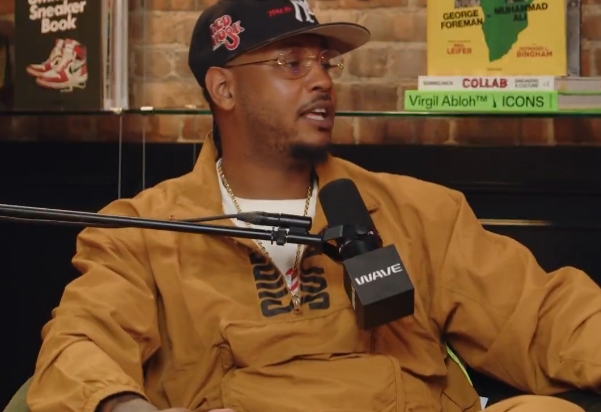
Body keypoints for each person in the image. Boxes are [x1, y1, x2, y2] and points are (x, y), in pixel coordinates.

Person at [24, 0, 601, 411]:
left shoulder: (419, 210)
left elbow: (543, 315)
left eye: (326, 62)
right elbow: (81, 343)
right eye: (292, 64)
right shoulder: (141, 231)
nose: (322, 80)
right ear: (224, 89)